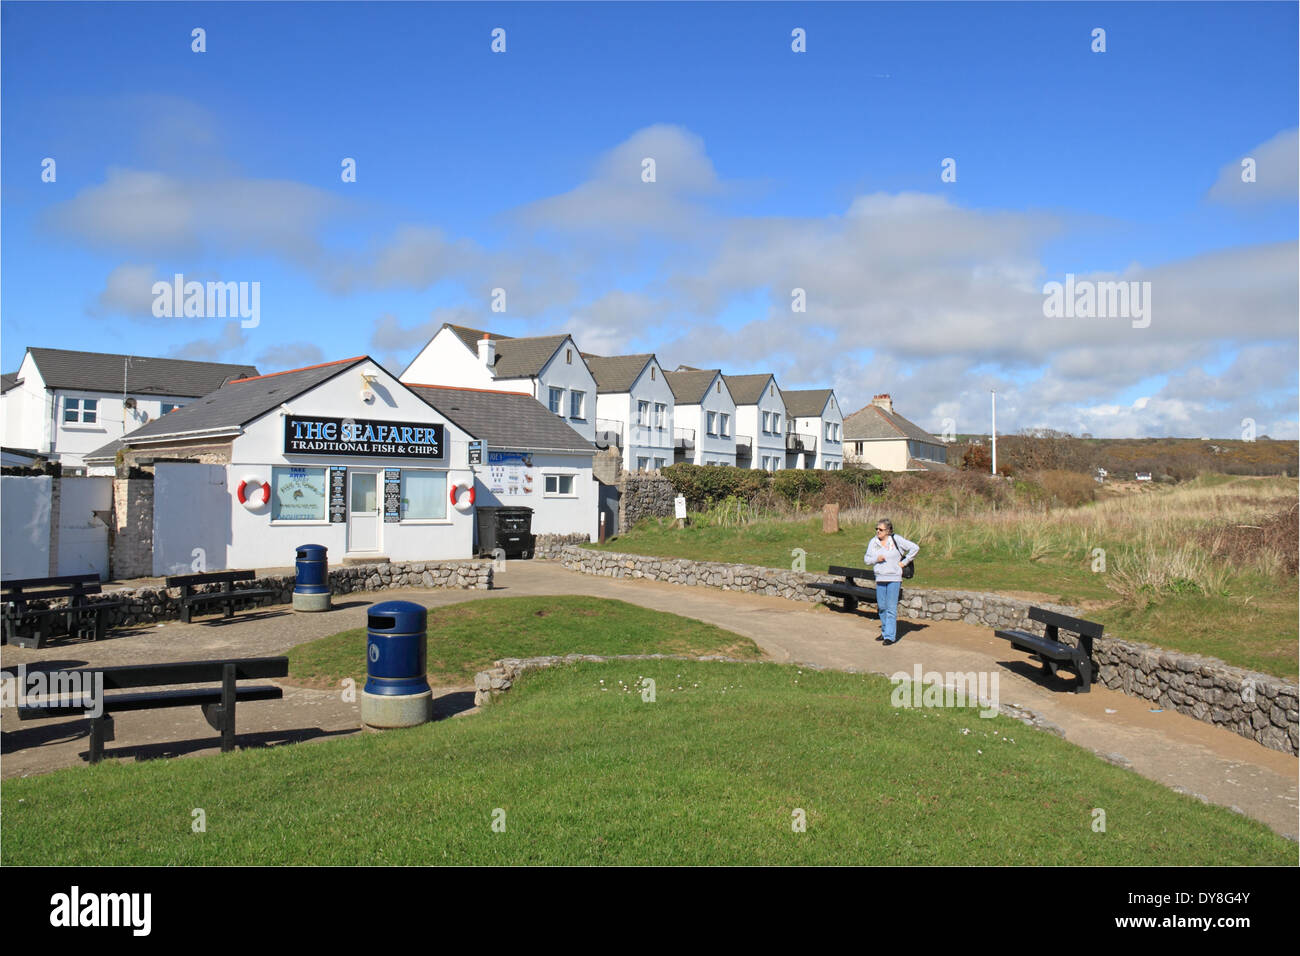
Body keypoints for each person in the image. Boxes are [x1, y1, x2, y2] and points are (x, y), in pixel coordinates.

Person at [863, 518, 919, 645]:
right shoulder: (873, 542)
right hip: (880, 578)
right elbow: (866, 559)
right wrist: (876, 558)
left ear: (888, 531)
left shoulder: (896, 540)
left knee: (891, 607)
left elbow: (915, 548)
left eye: (881, 529)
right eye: (876, 529)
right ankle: (884, 632)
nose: (878, 531)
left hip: (894, 578)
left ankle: (890, 636)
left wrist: (904, 563)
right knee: (882, 607)